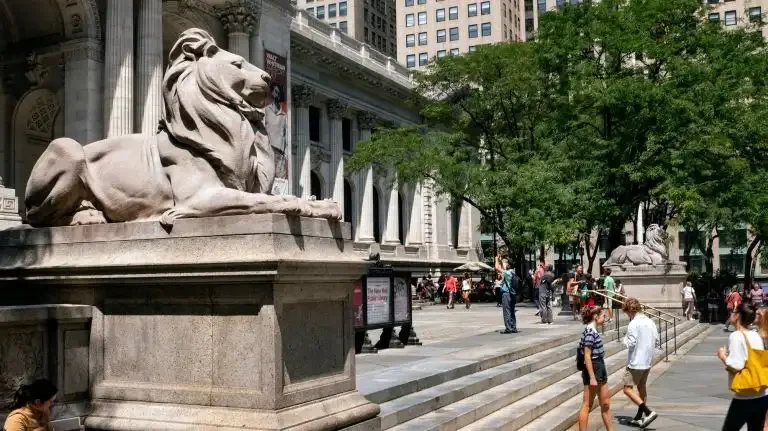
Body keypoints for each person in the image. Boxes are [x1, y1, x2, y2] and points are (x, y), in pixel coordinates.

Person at [718, 303, 768, 431]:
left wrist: (723, 356)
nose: (731, 315)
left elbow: (736, 365)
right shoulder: (756, 335)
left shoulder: (736, 336)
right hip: (761, 394)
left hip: (745, 396)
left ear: (738, 316)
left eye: (733, 312)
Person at [621, 298, 660, 428]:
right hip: (647, 360)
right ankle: (639, 416)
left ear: (629, 311)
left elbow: (631, 343)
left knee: (627, 389)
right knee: (641, 387)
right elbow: (656, 340)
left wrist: (624, 340)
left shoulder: (633, 323)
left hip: (636, 362)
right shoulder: (650, 321)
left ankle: (647, 411)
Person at [577, 306, 613, 431]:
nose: (605, 318)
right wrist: (592, 377)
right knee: (587, 404)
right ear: (595, 317)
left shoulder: (593, 331)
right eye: (603, 316)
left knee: (605, 403)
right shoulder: (590, 333)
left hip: (599, 367)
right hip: (593, 368)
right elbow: (587, 356)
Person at [495, 255, 518, 334]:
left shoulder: (506, 273)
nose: (505, 265)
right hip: (513, 294)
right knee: (512, 310)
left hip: (506, 293)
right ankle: (513, 326)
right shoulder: (513, 272)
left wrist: (496, 259)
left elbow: (497, 268)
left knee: (506, 311)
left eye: (506, 264)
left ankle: (508, 328)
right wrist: (501, 261)